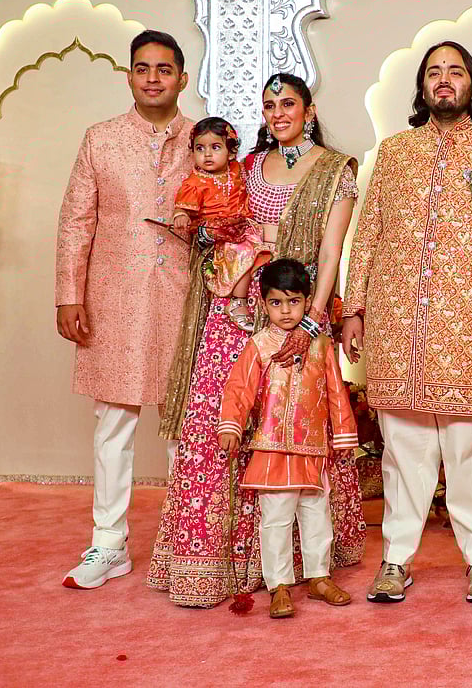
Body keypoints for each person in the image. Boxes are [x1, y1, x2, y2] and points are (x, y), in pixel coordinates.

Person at [147, 72, 365, 607]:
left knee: (294, 426)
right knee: (219, 423)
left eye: (288, 104)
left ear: (309, 110)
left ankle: (307, 566)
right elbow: (222, 218)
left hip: (295, 313)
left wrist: (313, 321)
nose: (278, 114)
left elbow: (332, 253)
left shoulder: (335, 170)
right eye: (269, 106)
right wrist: (204, 234)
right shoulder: (244, 165)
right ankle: (219, 561)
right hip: (235, 309)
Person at [343, 40, 472, 605]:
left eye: (455, 71)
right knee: (403, 450)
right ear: (422, 87)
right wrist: (354, 308)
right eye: (434, 72)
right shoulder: (395, 153)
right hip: (400, 323)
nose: (445, 80)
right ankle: (396, 560)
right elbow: (368, 235)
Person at [56, 29, 193, 589]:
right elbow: (76, 220)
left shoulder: (207, 139)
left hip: (189, 299)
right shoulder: (101, 139)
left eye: (164, 68)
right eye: (143, 68)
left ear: (182, 78)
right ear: (130, 76)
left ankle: (193, 541)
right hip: (114, 300)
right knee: (114, 423)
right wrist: (69, 293)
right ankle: (108, 544)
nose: (153, 77)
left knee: (194, 425)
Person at [217, 259, 358, 619]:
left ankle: (319, 577)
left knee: (316, 515)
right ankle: (279, 585)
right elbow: (238, 390)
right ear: (264, 304)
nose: (285, 311)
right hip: (271, 448)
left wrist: (344, 437)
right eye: (276, 303)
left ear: (307, 300)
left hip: (312, 448)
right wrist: (231, 426)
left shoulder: (321, 346)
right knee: (276, 518)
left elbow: (335, 392)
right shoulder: (260, 346)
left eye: (294, 302)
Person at [170, 117, 270, 332]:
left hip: (243, 227)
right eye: (200, 148)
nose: (207, 155)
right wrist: (180, 215)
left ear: (231, 152)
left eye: (215, 147)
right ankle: (237, 301)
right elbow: (183, 208)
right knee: (245, 251)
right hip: (218, 234)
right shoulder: (196, 181)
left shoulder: (238, 170)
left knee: (258, 249)